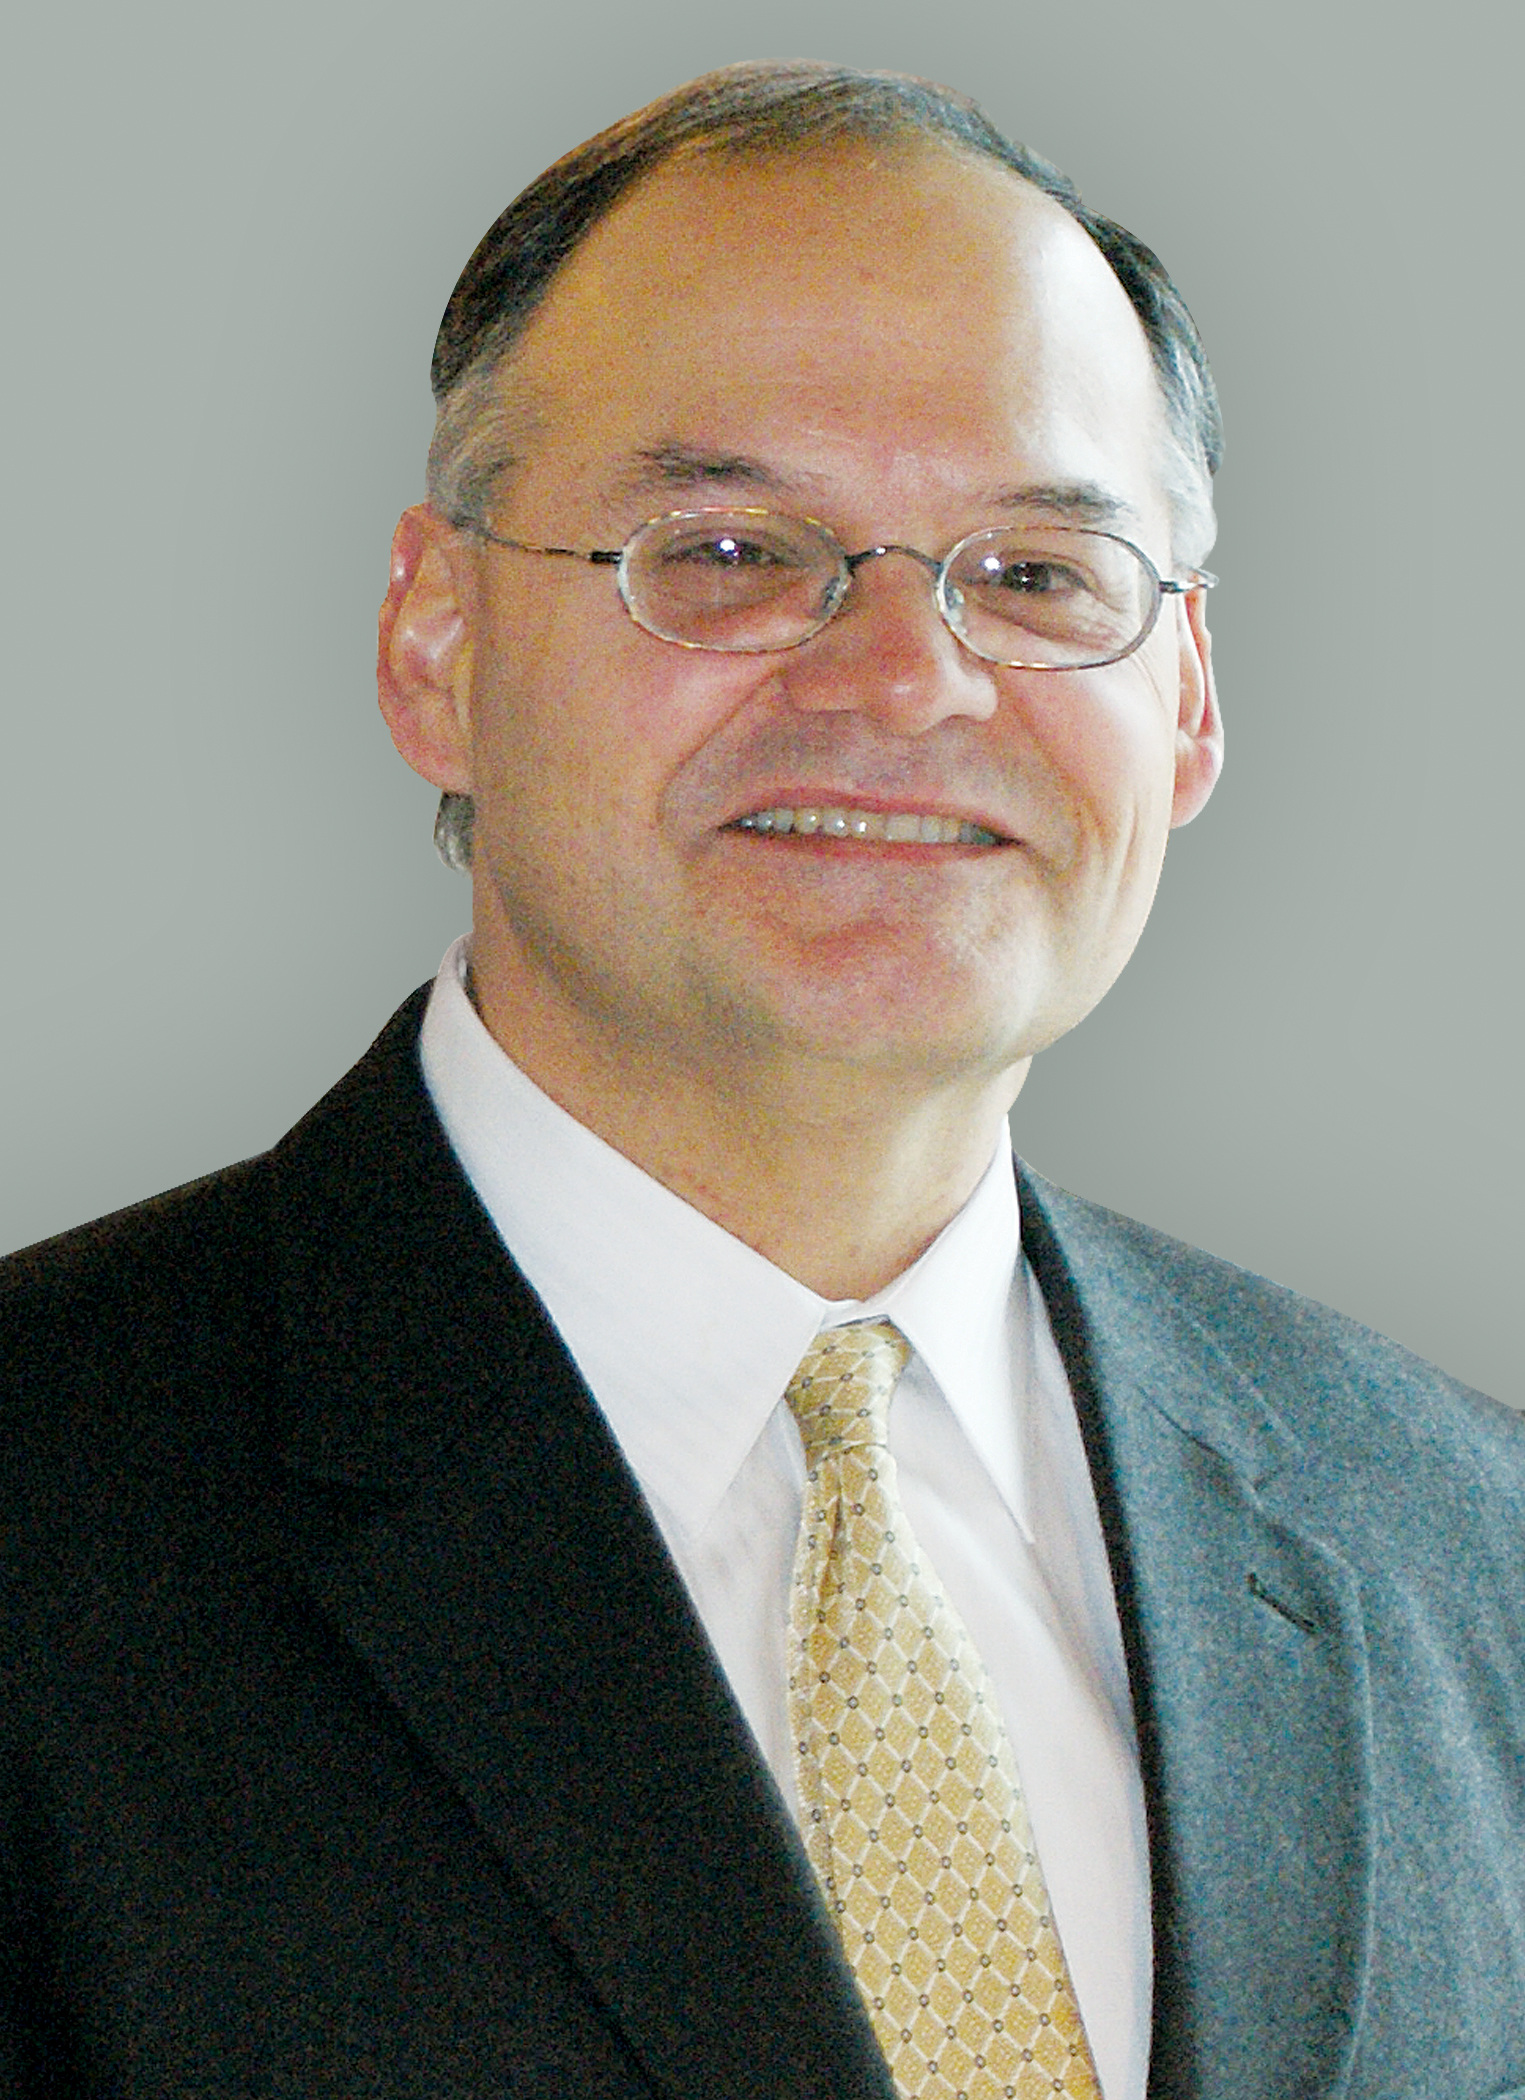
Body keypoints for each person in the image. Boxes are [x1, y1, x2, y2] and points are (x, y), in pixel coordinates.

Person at [2, 58, 1521, 2100]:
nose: (903, 680)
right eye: (725, 550)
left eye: (1037, 575)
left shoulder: (1459, 1545)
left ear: (1185, 704)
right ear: (436, 645)